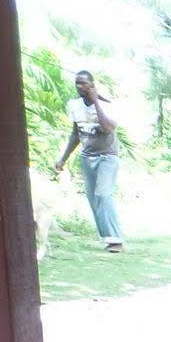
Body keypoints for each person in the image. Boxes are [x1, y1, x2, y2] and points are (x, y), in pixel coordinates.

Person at [52, 69, 123, 252]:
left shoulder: (107, 103)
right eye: (77, 82)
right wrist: (63, 159)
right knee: (93, 198)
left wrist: (96, 101)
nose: (79, 86)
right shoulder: (74, 106)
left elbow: (108, 128)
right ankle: (108, 238)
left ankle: (116, 240)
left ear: (92, 84)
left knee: (103, 194)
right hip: (87, 157)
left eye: (83, 82)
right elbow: (76, 134)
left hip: (108, 156)